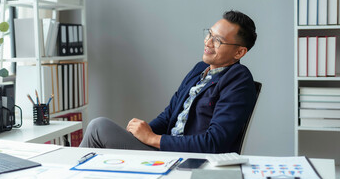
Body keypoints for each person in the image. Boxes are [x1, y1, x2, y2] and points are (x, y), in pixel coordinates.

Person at [80, 10, 257, 153]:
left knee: (98, 127)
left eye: (217, 40)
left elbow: (213, 143)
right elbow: (169, 115)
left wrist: (151, 138)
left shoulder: (238, 79)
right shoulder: (199, 69)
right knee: (102, 130)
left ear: (239, 53)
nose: (207, 42)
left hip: (189, 159)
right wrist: (140, 134)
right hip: (166, 151)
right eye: (209, 34)